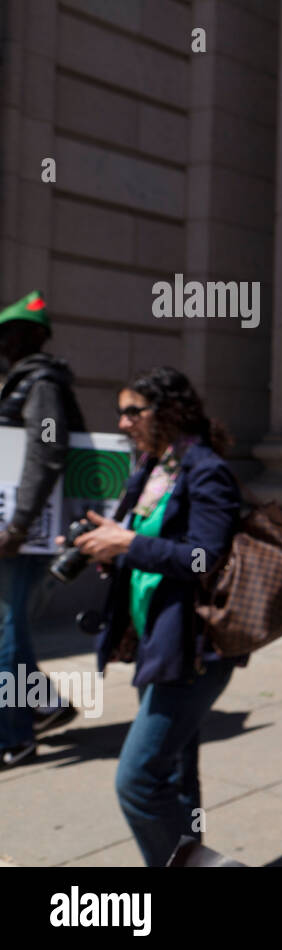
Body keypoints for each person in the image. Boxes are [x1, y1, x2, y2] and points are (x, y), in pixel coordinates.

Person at [69, 367, 244, 865]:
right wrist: (109, 543)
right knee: (174, 778)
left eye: (133, 411)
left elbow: (204, 557)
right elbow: (149, 544)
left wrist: (128, 542)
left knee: (138, 781)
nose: (123, 423)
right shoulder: (155, 466)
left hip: (193, 647)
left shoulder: (205, 468)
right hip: (156, 640)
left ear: (167, 412)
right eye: (120, 412)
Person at [0, 290, 85, 769]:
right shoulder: (20, 382)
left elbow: (46, 453)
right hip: (18, 529)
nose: (2, 343)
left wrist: (18, 525)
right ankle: (46, 705)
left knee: (7, 637)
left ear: (33, 335)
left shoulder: (41, 382)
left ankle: (13, 737)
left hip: (24, 534)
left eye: (9, 334)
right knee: (10, 633)